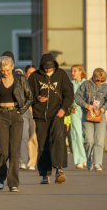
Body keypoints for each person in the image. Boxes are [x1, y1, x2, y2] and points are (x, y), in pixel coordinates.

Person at [0, 53, 33, 192]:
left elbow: (29, 97)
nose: (5, 73)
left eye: (8, 70)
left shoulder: (21, 79)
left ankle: (13, 183)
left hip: (16, 115)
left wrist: (21, 110)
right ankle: (0, 177)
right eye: (3, 70)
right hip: (1, 116)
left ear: (12, 67)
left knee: (15, 151)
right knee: (3, 151)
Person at [28, 53, 74, 184]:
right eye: (46, 67)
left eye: (51, 67)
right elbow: (28, 94)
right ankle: (45, 174)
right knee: (42, 144)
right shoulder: (34, 76)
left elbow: (69, 94)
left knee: (58, 139)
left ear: (55, 65)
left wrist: (63, 109)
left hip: (57, 114)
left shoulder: (61, 75)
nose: (48, 69)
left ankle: (59, 170)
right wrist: (37, 98)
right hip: (40, 116)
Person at [75, 68, 107, 171]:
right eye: (97, 79)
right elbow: (77, 97)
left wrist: (103, 108)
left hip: (100, 115)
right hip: (87, 115)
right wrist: (86, 105)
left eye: (101, 80)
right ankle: (88, 158)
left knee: (99, 141)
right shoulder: (85, 84)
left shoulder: (105, 87)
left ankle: (97, 163)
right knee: (88, 140)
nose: (99, 82)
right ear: (93, 76)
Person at [70, 65, 87, 169]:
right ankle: (79, 160)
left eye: (75, 71)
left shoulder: (87, 83)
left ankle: (86, 156)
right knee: (76, 135)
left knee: (86, 135)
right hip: (74, 111)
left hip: (85, 111)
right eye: (72, 71)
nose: (73, 73)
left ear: (81, 72)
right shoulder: (70, 84)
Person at [24, 65, 38, 170]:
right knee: (24, 135)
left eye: (34, 73)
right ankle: (24, 160)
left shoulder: (38, 84)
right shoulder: (22, 84)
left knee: (33, 136)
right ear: (26, 74)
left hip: (34, 110)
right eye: (29, 73)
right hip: (24, 110)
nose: (32, 75)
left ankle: (32, 161)